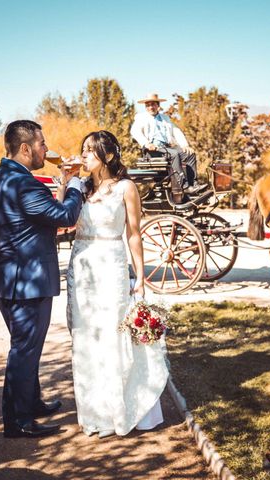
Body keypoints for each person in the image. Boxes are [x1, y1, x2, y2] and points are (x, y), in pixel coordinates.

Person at [67, 130, 169, 438]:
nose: (84, 155)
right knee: (86, 337)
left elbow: (134, 233)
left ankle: (122, 409)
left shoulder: (126, 187)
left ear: (108, 156)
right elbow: (62, 217)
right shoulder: (80, 188)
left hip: (111, 263)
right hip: (81, 267)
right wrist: (65, 179)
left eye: (90, 151)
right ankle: (95, 413)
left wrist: (140, 274)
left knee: (113, 334)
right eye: (82, 149)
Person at [0, 120, 83, 438]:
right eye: (42, 144)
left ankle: (32, 402)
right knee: (24, 351)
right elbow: (65, 217)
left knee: (27, 348)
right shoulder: (24, 184)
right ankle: (19, 422)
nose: (46, 149)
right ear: (25, 148)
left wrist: (62, 184)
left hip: (8, 279)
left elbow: (39, 214)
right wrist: (77, 185)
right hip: (27, 282)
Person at [130, 93, 204, 195]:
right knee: (174, 154)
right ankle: (184, 186)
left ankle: (193, 185)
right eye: (148, 105)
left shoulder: (165, 118)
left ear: (158, 105)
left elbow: (176, 131)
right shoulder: (141, 118)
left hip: (166, 148)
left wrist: (184, 145)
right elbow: (135, 131)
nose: (150, 107)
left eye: (153, 104)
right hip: (153, 150)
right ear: (145, 107)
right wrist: (146, 143)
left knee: (190, 154)